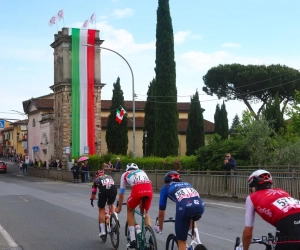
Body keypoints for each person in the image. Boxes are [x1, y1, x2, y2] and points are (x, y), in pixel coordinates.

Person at [241, 170, 300, 250]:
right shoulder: (281, 191)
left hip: (288, 224)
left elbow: (248, 233)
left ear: (253, 186)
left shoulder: (251, 197)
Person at [155, 171, 205, 250]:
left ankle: (188, 243)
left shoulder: (165, 187)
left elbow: (161, 212)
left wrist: (160, 227)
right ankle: (198, 241)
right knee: (191, 215)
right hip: (200, 205)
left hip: (185, 208)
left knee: (181, 241)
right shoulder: (188, 184)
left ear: (166, 181)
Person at [115, 163, 153, 249]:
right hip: (149, 189)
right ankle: (149, 237)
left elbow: (121, 194)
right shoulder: (142, 172)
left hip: (137, 190)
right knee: (145, 213)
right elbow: (146, 183)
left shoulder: (125, 175)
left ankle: (133, 240)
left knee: (130, 210)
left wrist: (119, 207)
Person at [90, 169, 117, 238]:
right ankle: (115, 218)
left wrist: (92, 199)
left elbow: (93, 193)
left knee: (101, 209)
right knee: (111, 204)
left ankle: (103, 231)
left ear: (96, 175)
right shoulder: (109, 176)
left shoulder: (96, 180)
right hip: (113, 189)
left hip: (104, 191)